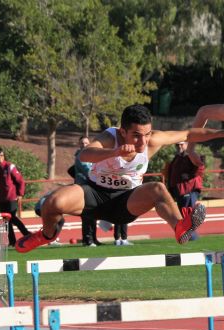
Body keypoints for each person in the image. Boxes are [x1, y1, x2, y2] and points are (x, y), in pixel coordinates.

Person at [16, 104, 224, 253]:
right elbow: (85, 155)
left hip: (126, 201)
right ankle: (47, 235)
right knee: (52, 203)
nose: (142, 141)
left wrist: (219, 133)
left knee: (157, 189)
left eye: (147, 134)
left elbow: (189, 134)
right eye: (136, 135)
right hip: (93, 194)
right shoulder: (110, 137)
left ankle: (180, 228)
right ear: (123, 131)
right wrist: (114, 152)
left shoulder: (153, 140)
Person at [0, 148, 30, 247]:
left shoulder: (10, 167)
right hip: (1, 199)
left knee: (12, 218)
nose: (0, 158)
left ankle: (27, 235)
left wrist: (20, 194)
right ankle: (12, 242)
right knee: (6, 222)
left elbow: (20, 181)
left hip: (12, 197)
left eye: (2, 155)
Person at [166, 141, 205, 240]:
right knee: (183, 213)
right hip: (180, 189)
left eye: (181, 144)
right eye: (177, 144)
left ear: (187, 145)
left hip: (188, 188)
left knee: (188, 213)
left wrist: (190, 175)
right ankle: (189, 235)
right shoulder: (178, 157)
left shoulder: (191, 156)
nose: (179, 146)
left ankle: (192, 236)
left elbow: (200, 167)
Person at [74, 136, 102, 247]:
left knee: (93, 213)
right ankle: (87, 240)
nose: (84, 145)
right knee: (87, 214)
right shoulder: (80, 157)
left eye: (86, 143)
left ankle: (94, 238)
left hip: (91, 187)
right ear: (79, 145)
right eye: (82, 143)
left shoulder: (90, 156)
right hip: (83, 187)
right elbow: (88, 171)